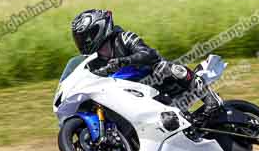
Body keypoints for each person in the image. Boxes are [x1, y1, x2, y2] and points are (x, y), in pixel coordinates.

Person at [70, 9, 220, 117]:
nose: (83, 42)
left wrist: (124, 61)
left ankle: (210, 99)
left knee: (165, 68)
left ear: (99, 29)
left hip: (156, 83)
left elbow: (149, 54)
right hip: (129, 96)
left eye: (85, 37)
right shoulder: (93, 62)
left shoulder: (124, 38)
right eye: (80, 39)